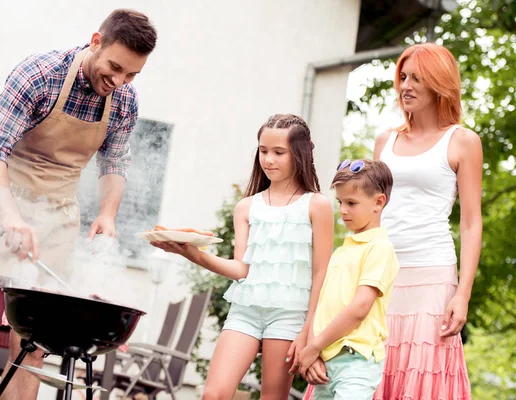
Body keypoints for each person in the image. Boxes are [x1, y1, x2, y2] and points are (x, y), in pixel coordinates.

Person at [0, 9, 157, 400]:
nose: (119, 81)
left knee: (32, 345)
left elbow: (115, 159)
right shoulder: (38, 74)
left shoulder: (124, 101)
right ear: (95, 41)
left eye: (131, 75)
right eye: (115, 68)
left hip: (56, 220)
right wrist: (11, 216)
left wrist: (107, 213)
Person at [151, 114, 334, 399]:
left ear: (300, 153)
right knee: (214, 394)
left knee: (272, 397)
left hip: (289, 316)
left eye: (278, 152)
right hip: (245, 312)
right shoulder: (247, 207)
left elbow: (321, 272)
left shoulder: (317, 206)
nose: (268, 159)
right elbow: (241, 269)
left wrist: (309, 332)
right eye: (263, 151)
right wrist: (191, 253)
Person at [373, 43, 483, 399]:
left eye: (417, 78)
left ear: (439, 83)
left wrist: (462, 294)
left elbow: (470, 223)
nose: (406, 85)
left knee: (420, 379)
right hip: (381, 272)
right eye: (403, 77)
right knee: (371, 368)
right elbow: (370, 212)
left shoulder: (463, 141)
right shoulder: (385, 141)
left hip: (432, 275)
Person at [296, 159, 399, 399]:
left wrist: (314, 347)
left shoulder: (379, 248)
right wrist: (315, 354)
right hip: (325, 362)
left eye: (351, 203)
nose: (343, 210)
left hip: (356, 361)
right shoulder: (343, 250)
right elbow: (323, 307)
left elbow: (359, 308)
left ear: (379, 202)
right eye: (340, 202)